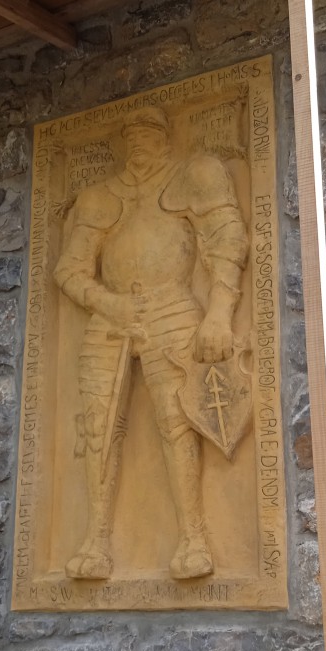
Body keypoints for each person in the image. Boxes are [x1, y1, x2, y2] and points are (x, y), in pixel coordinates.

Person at [54, 106, 248, 580]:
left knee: (179, 420)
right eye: (131, 134)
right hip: (111, 317)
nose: (138, 140)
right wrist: (109, 303)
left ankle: (194, 539)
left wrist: (220, 313)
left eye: (149, 132)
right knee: (98, 427)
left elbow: (227, 241)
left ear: (163, 136)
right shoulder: (100, 197)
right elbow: (69, 269)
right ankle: (96, 541)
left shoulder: (195, 175)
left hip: (173, 307)